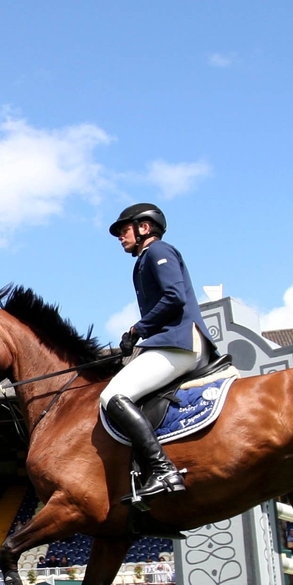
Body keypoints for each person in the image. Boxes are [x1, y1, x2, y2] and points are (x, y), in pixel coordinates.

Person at [102, 203, 213, 509]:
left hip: (179, 342)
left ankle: (164, 470)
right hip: (166, 343)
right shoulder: (143, 260)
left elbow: (174, 297)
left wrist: (139, 328)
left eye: (124, 230)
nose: (120, 238)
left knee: (112, 395)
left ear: (144, 228)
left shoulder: (157, 251)